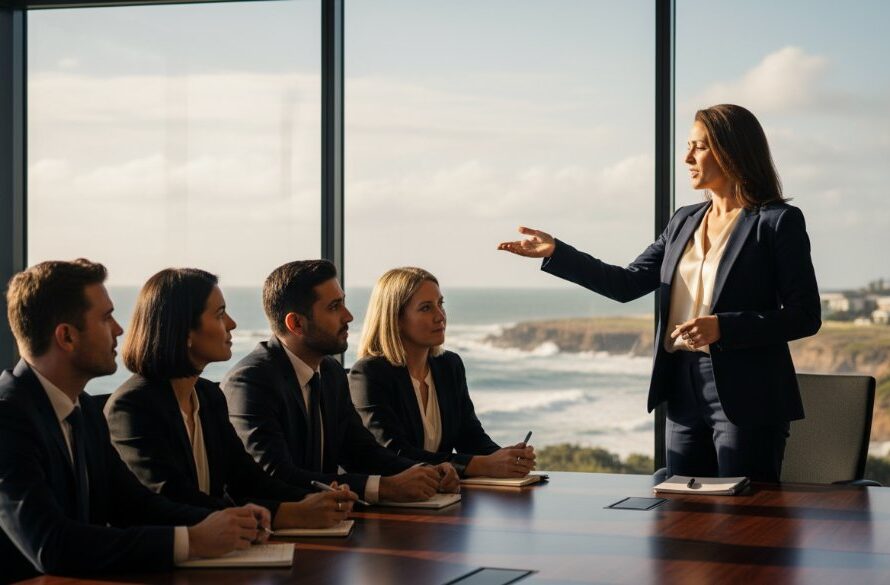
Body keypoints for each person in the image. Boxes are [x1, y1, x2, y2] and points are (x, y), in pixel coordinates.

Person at [498, 104, 821, 482]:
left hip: (747, 394)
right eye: (688, 146)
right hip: (681, 387)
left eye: (699, 147)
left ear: (732, 150)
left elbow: (805, 315)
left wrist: (724, 327)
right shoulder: (684, 219)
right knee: (681, 507)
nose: (687, 158)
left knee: (745, 511)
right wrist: (557, 252)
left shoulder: (777, 221)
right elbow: (626, 283)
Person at [0, 260, 269, 583]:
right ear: (67, 336)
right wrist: (192, 541)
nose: (119, 329)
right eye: (106, 318)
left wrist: (229, 521)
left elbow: (133, 504)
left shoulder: (83, 409)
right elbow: (51, 544)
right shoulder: (8, 416)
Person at [105, 268, 356, 531]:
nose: (232, 323)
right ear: (184, 331)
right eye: (220, 314)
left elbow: (249, 481)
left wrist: (316, 500)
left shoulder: (208, 396)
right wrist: (286, 514)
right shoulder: (133, 406)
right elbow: (173, 498)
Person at [222, 260, 460, 503]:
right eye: (334, 307)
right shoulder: (251, 381)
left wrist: (426, 471)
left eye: (343, 303)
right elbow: (276, 474)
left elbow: (361, 452)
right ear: (296, 324)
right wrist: (383, 487)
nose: (348, 316)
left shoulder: (331, 372)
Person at [349, 267, 535, 478]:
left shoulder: (449, 365)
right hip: (394, 496)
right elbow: (394, 452)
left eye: (440, 304)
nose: (440, 316)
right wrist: (481, 465)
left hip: (442, 492)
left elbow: (470, 437)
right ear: (396, 319)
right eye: (426, 308)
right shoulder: (369, 374)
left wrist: (507, 458)